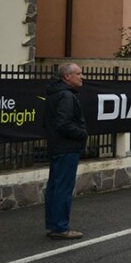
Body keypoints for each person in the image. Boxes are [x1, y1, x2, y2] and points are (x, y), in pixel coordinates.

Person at [44, 63, 87, 240]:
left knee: (54, 187)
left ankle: (52, 225)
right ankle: (60, 227)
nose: (82, 76)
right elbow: (63, 123)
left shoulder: (54, 94)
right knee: (63, 188)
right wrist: (82, 134)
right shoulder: (66, 96)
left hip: (56, 146)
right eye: (78, 73)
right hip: (66, 147)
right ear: (67, 76)